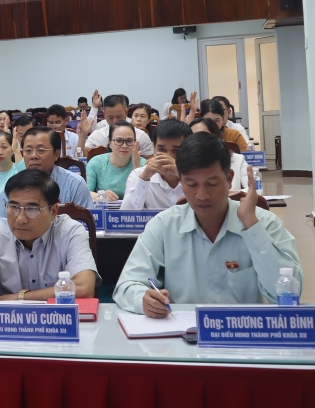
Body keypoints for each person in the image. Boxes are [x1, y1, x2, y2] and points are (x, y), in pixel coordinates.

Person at [113, 134, 303, 316]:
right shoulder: (164, 225)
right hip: (182, 334)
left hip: (245, 333)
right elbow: (127, 286)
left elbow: (288, 292)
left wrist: (252, 227)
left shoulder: (265, 223)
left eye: (212, 183)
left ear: (229, 178)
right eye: (191, 184)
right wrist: (144, 299)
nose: (202, 195)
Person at [0, 170, 98, 301]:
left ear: (53, 211)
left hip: (58, 317)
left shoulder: (70, 232)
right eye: (14, 207)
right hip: (10, 318)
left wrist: (20, 298)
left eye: (32, 209)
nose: (20, 219)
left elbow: (84, 289)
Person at [0, 128, 91, 220]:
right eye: (28, 150)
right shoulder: (13, 185)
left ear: (56, 154)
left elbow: (85, 225)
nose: (33, 156)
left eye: (41, 150)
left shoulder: (75, 184)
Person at [122, 119, 191, 210]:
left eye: (176, 150)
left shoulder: (197, 175)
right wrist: (144, 178)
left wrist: (183, 176)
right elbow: (125, 214)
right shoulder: (138, 175)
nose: (168, 156)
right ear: (154, 147)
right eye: (162, 150)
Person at [86, 122, 145, 202]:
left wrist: (137, 169)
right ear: (110, 143)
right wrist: (101, 196)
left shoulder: (144, 164)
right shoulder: (96, 163)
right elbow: (85, 193)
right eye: (119, 141)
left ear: (135, 143)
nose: (124, 146)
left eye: (129, 141)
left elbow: (149, 197)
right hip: (105, 207)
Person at [78, 94, 154, 157]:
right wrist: (83, 135)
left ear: (126, 112)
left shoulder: (141, 136)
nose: (115, 121)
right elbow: (82, 156)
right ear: (104, 114)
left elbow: (149, 163)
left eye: (119, 117)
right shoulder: (97, 135)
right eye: (110, 117)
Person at [190, 118, 248, 191]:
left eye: (202, 136)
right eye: (192, 138)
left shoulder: (238, 160)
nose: (197, 142)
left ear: (216, 136)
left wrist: (229, 195)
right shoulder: (183, 163)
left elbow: (251, 189)